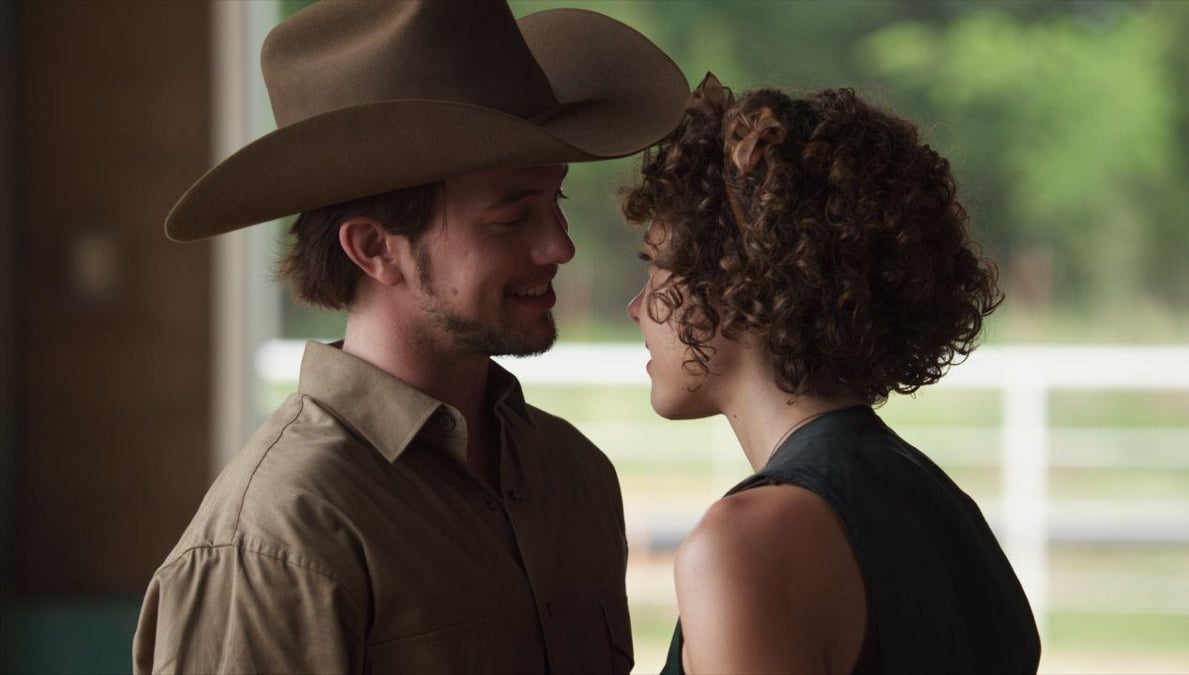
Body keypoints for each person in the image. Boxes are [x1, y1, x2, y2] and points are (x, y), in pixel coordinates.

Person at [133, 2, 687, 673]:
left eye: (556, 202)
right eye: (512, 218)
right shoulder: (276, 535)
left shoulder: (574, 474)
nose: (559, 246)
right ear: (375, 249)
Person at [622, 74, 1041, 674]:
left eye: (655, 266)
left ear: (736, 283)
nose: (637, 306)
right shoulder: (945, 508)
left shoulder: (749, 544)